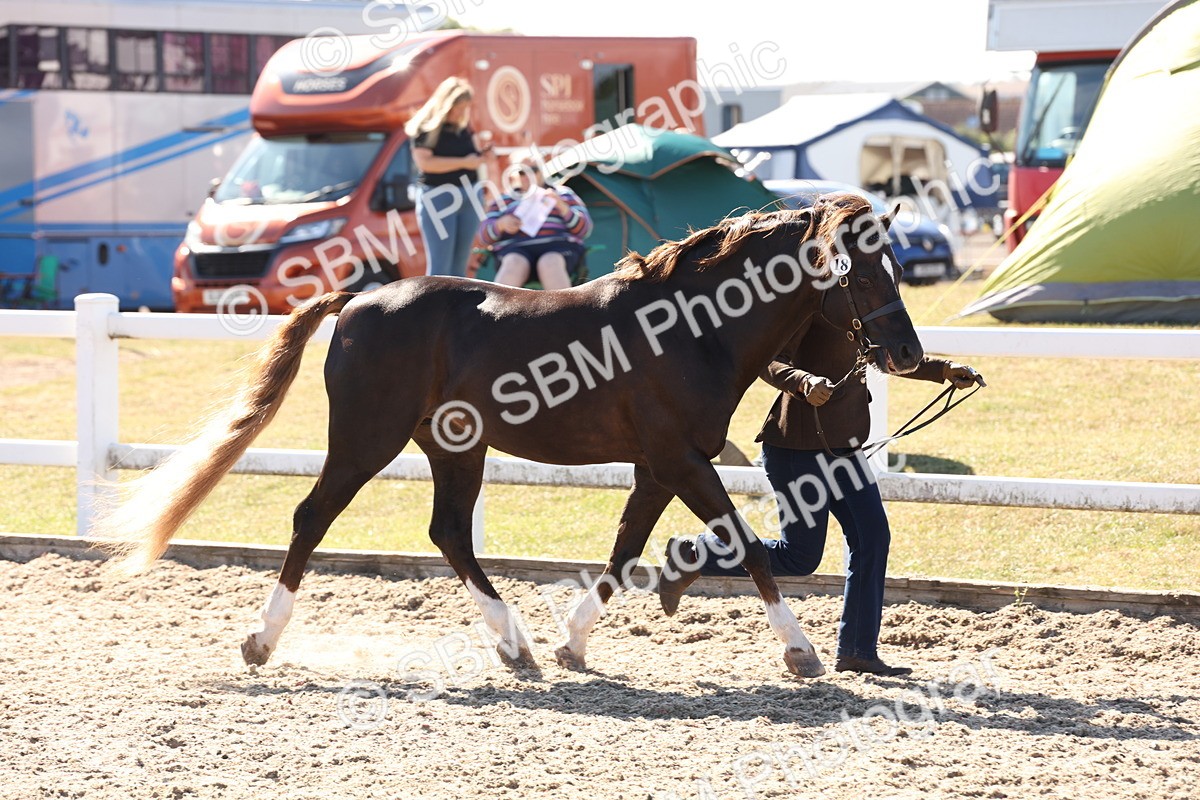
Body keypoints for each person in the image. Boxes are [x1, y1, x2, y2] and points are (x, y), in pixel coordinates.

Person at [659, 281, 985, 677]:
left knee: (872, 538)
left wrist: (943, 370)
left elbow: (887, 357)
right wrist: (802, 382)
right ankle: (696, 554)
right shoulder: (808, 306)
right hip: (795, 450)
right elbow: (769, 360)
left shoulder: (863, 309)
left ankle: (857, 651)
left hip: (845, 449)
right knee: (800, 556)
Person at [406, 77, 492, 278]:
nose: (461, 113)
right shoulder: (425, 129)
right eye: (457, 108)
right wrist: (464, 162)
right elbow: (425, 163)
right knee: (440, 269)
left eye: (465, 108)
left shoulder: (463, 128)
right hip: (438, 197)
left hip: (469, 194)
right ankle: (434, 309)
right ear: (445, 105)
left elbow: (472, 157)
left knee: (459, 269)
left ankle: (455, 310)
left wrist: (482, 157)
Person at [479, 150, 592, 290]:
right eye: (522, 172)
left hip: (559, 249)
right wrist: (500, 224)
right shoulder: (503, 201)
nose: (528, 176)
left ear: (542, 171)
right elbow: (484, 236)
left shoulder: (563, 194)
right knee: (514, 262)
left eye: (533, 170)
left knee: (550, 262)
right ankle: (495, 311)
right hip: (515, 250)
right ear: (513, 174)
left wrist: (562, 207)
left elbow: (585, 229)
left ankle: (564, 311)